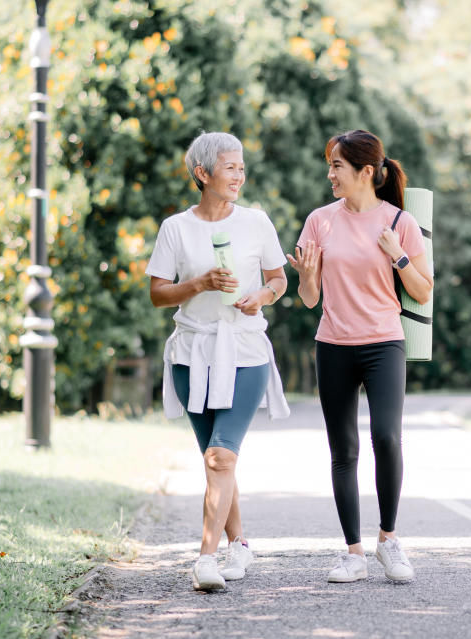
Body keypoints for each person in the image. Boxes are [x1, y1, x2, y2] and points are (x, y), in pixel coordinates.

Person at [286, 129, 433, 583]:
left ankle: (389, 541)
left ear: (366, 172)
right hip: (333, 345)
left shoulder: (399, 223)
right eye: (329, 164)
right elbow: (310, 300)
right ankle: (353, 553)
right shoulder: (319, 221)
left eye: (337, 166)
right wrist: (308, 276)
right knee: (342, 450)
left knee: (387, 437)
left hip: (384, 342)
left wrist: (399, 259)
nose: (329, 173)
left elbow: (424, 293)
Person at [147, 131, 289, 591]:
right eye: (230, 167)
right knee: (217, 461)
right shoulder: (176, 228)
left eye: (242, 167)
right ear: (202, 173)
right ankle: (240, 545)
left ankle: (206, 558)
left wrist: (262, 296)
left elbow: (278, 280)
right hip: (193, 354)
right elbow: (158, 293)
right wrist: (201, 284)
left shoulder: (256, 223)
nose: (239, 175)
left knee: (220, 456)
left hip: (244, 350)